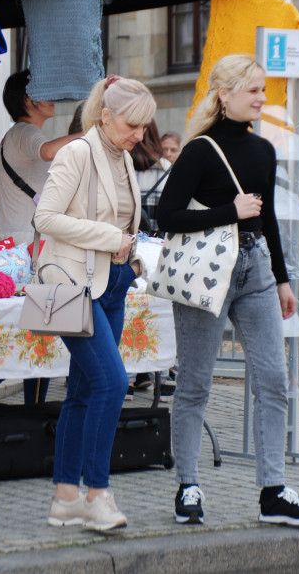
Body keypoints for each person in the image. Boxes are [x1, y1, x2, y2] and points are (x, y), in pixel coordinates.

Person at [156, 54, 299, 528]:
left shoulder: (264, 151)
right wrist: (228, 210)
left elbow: (266, 216)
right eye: (253, 90)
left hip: (257, 274)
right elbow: (166, 218)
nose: (262, 98)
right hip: (208, 273)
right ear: (224, 95)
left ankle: (273, 492)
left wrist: (284, 279)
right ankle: (188, 485)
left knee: (273, 379)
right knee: (194, 383)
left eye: (263, 90)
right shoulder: (199, 151)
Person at [36, 74, 155, 532]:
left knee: (86, 390)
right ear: (105, 116)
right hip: (73, 284)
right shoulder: (77, 152)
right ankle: (96, 494)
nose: (139, 135)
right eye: (133, 125)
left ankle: (65, 499)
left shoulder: (122, 156)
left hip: (113, 283)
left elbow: (122, 223)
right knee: (112, 383)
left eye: (145, 127)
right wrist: (112, 237)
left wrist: (134, 252)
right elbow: (45, 217)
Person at [0, 70, 81, 407]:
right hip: (35, 254)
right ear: (29, 101)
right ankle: (34, 414)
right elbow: (46, 152)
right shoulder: (27, 133)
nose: (53, 98)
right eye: (47, 91)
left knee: (28, 333)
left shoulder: (10, 139)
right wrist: (93, 133)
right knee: (43, 335)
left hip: (19, 252)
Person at [127, 120, 173, 400]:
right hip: (160, 254)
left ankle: (128, 380)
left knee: (127, 311)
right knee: (161, 313)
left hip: (129, 253)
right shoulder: (168, 169)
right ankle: (164, 376)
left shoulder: (122, 166)